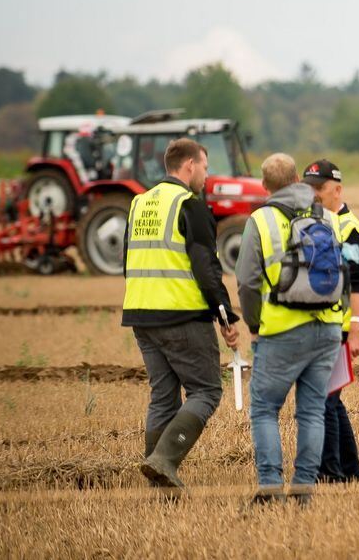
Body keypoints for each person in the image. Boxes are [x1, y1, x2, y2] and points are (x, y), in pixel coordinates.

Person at [122, 138, 240, 489]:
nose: (206, 173)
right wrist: (226, 318)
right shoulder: (190, 205)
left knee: (163, 396)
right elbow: (207, 269)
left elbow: (126, 261)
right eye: (205, 166)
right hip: (181, 315)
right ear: (189, 165)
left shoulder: (138, 203)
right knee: (206, 391)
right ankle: (164, 460)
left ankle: (158, 478)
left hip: (141, 314)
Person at [236, 153, 341, 506]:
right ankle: (304, 490)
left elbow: (247, 282)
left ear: (264, 186)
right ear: (298, 178)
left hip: (281, 328)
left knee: (265, 408)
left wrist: (254, 325)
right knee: (311, 411)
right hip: (326, 326)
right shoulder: (326, 215)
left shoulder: (260, 220)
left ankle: (269, 488)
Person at [301, 160, 359, 484]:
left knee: (324, 399)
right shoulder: (314, 223)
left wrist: (356, 331)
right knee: (331, 398)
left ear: (337, 190)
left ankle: (331, 472)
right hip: (322, 324)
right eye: (309, 188)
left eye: (319, 188)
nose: (313, 194)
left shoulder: (350, 229)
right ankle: (350, 470)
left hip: (339, 328)